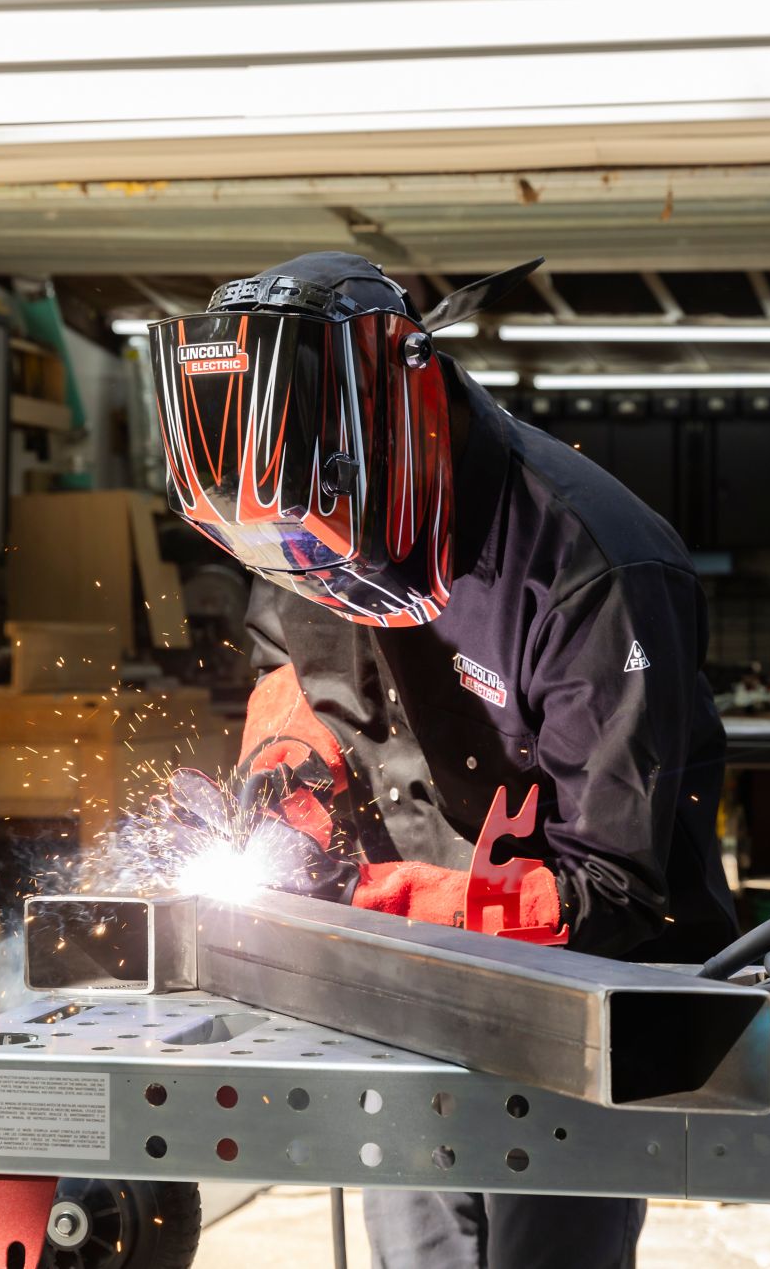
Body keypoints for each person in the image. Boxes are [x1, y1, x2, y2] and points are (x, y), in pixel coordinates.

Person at [147, 251, 736, 1269]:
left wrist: (366, 899)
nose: (308, 569)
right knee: (418, 1250)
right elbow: (291, 670)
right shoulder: (298, 507)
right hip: (402, 980)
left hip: (586, 992)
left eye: (324, 548)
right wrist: (286, 798)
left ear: (397, 430)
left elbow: (617, 896)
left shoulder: (592, 568)